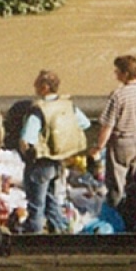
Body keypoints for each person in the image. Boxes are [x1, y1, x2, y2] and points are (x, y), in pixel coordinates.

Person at [89, 54, 136, 232]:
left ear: (126, 74)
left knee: (117, 182)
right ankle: (134, 215)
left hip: (122, 142)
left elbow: (107, 125)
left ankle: (118, 219)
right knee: (135, 181)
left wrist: (99, 147)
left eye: (117, 71)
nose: (115, 74)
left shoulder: (118, 95)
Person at [19, 70, 91, 235]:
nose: (34, 86)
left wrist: (26, 154)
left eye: (37, 83)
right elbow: (85, 123)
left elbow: (27, 138)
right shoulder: (68, 105)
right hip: (59, 160)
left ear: (44, 87)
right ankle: (60, 230)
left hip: (41, 162)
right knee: (51, 197)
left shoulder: (39, 110)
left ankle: (34, 237)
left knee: (36, 204)